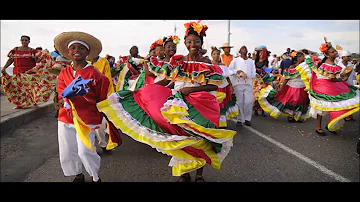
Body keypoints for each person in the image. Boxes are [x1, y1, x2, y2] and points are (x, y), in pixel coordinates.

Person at [97, 21, 236, 182]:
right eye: (190, 41)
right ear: (185, 43)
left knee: (201, 137)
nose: (193, 44)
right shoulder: (178, 61)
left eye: (197, 42)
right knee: (178, 135)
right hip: (180, 102)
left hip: (203, 103)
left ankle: (199, 175)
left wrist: (190, 90)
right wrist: (152, 90)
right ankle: (184, 173)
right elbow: (171, 80)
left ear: (201, 43)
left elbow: (214, 85)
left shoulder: (206, 62)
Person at [54, 31, 121, 182]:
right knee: (68, 149)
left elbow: (102, 94)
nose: (76, 50)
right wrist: (60, 99)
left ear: (87, 53)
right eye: (73, 48)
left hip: (86, 117)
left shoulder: (94, 73)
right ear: (68, 52)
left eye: (81, 48)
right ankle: (78, 174)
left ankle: (94, 176)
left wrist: (101, 112)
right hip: (66, 117)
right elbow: (60, 91)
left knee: (85, 150)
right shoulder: (64, 72)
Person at [295, 38, 359, 135]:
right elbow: (331, 77)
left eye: (335, 51)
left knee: (338, 105)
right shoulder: (324, 65)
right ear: (327, 54)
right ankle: (318, 127)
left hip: (331, 86)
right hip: (322, 87)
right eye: (333, 52)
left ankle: (331, 125)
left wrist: (341, 77)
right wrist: (340, 78)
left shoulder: (334, 64)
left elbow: (335, 77)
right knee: (321, 108)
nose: (335, 52)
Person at [1, 35, 56, 109]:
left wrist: (35, 58)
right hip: (17, 71)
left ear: (29, 41)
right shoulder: (15, 49)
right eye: (22, 40)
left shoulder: (32, 51)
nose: (24, 41)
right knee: (18, 88)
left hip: (29, 72)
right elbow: (10, 60)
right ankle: (19, 104)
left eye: (26, 40)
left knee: (30, 88)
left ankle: (34, 102)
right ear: (20, 41)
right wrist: (4, 67)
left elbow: (38, 60)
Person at [258, 51, 310, 123]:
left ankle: (297, 116)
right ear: (298, 58)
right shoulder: (292, 67)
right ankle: (290, 116)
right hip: (293, 87)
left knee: (301, 102)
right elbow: (286, 78)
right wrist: (282, 87)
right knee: (294, 101)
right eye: (302, 56)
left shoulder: (305, 66)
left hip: (302, 87)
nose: (303, 58)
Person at [88, 54, 120, 154]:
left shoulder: (103, 62)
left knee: (100, 123)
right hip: (86, 98)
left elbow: (107, 81)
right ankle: (89, 148)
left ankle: (103, 144)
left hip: (100, 97)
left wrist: (108, 98)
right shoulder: (83, 63)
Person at [229, 45, 257, 126]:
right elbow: (230, 70)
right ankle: (240, 119)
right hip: (238, 83)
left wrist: (250, 75)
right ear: (239, 51)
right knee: (240, 102)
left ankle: (247, 118)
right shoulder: (235, 60)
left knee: (249, 101)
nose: (244, 50)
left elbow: (253, 72)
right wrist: (238, 72)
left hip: (248, 83)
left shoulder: (250, 61)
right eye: (242, 48)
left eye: (245, 48)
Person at [210, 46, 238, 128]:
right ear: (212, 55)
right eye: (214, 54)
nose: (216, 56)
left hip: (223, 87)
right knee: (213, 105)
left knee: (222, 105)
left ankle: (222, 123)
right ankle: (213, 122)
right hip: (212, 87)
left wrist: (230, 86)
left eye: (217, 54)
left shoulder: (222, 65)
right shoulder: (209, 64)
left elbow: (227, 76)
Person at [337, 50, 356, 122]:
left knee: (351, 101)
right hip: (341, 86)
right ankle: (343, 116)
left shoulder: (350, 65)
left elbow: (353, 75)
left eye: (350, 56)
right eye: (347, 56)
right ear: (342, 57)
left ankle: (349, 116)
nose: (349, 58)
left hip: (350, 84)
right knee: (343, 101)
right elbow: (336, 76)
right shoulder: (338, 65)